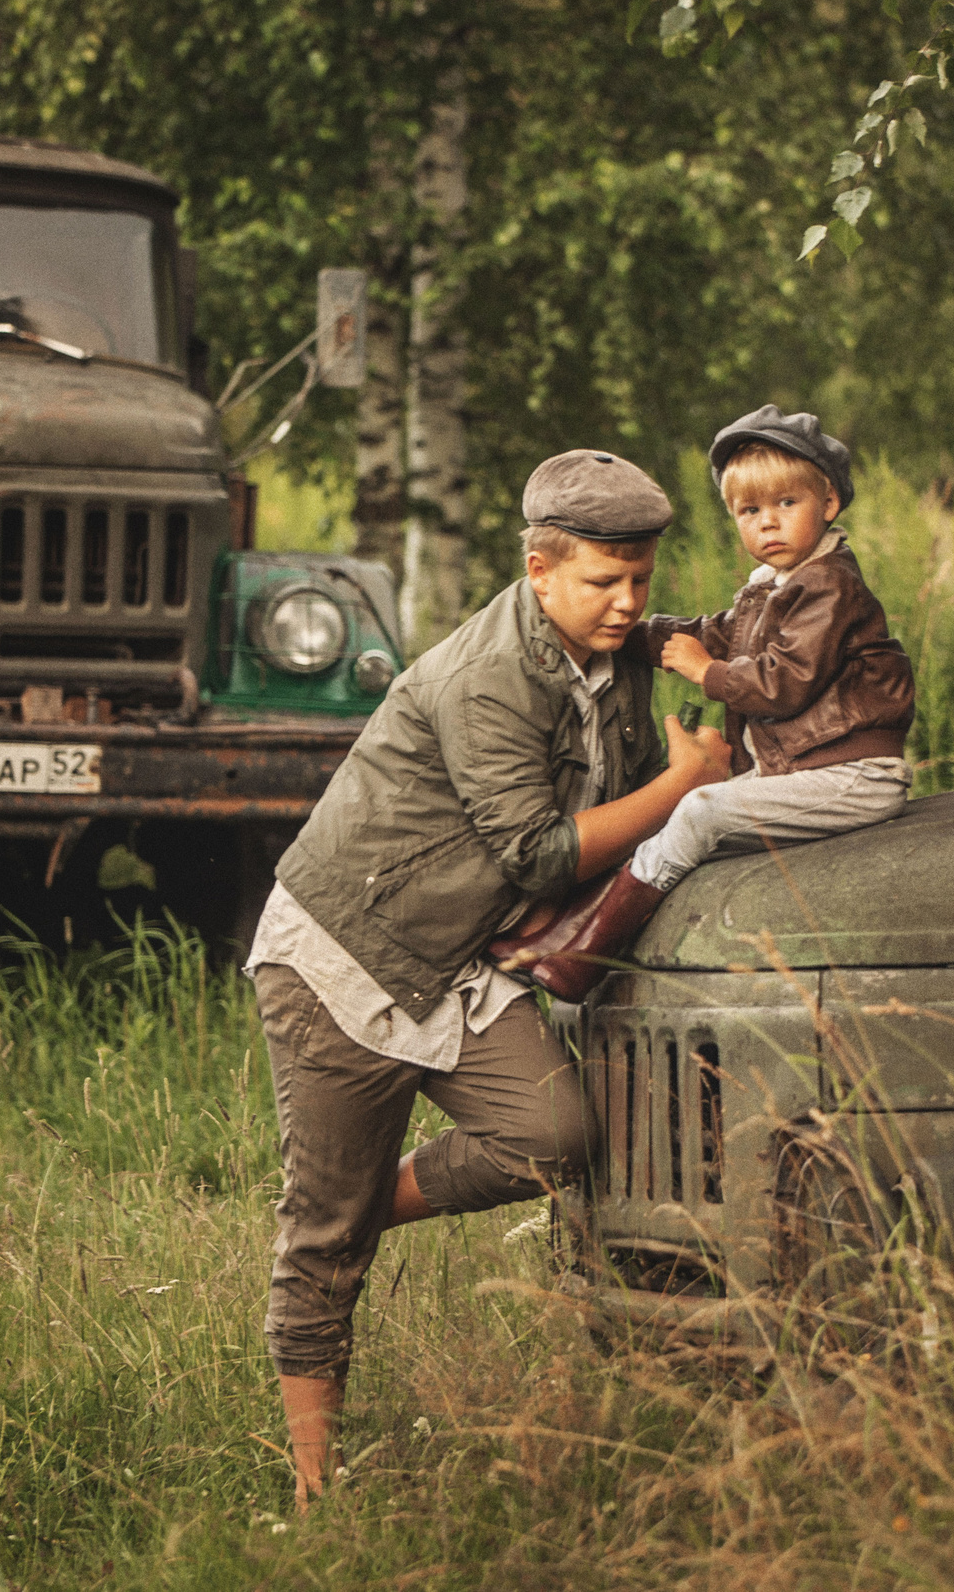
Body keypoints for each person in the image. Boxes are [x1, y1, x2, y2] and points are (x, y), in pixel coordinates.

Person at [242, 448, 733, 1509]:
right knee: (323, 1249)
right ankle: (315, 1494)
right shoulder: (485, 677)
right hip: (347, 956)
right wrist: (687, 787)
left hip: (459, 955)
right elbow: (539, 854)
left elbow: (720, 667)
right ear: (538, 569)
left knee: (554, 1136)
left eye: (641, 577)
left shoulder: (618, 651)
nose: (628, 601)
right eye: (604, 579)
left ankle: (352, 1206)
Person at [491, 405, 915, 1000]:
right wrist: (625, 632)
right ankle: (562, 934)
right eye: (749, 511)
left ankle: (587, 954)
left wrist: (704, 672)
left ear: (829, 503)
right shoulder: (771, 589)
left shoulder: (829, 586)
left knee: (700, 809)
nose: (768, 524)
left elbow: (784, 682)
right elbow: (711, 634)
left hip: (854, 775)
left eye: (786, 503)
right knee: (670, 812)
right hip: (807, 771)